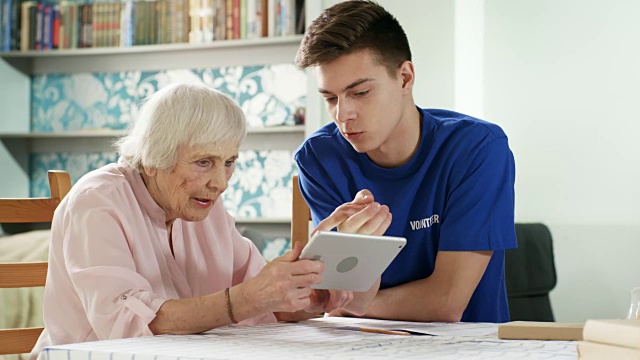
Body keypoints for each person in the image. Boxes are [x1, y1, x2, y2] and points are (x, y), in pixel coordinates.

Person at [31, 83, 377, 359]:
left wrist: (306, 298)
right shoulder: (97, 202)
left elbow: (262, 304)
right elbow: (128, 328)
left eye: (229, 162)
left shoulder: (206, 210)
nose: (221, 182)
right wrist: (249, 298)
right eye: (203, 162)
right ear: (155, 156)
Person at [294, 0, 517, 323]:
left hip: (465, 348)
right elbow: (341, 295)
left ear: (405, 78)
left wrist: (345, 301)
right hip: (357, 345)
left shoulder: (477, 149)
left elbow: (446, 302)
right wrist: (343, 297)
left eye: (360, 93)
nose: (343, 115)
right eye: (330, 98)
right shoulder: (319, 159)